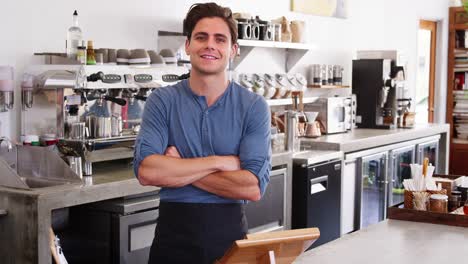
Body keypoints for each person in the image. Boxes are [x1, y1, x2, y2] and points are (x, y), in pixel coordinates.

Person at [133, 2, 271, 263]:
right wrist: (219, 162)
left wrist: (178, 167)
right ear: (187, 45)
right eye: (201, 37)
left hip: (229, 237)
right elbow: (147, 171)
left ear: (233, 50)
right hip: (173, 237)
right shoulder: (162, 101)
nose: (210, 45)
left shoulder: (253, 106)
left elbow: (252, 187)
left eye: (220, 39)